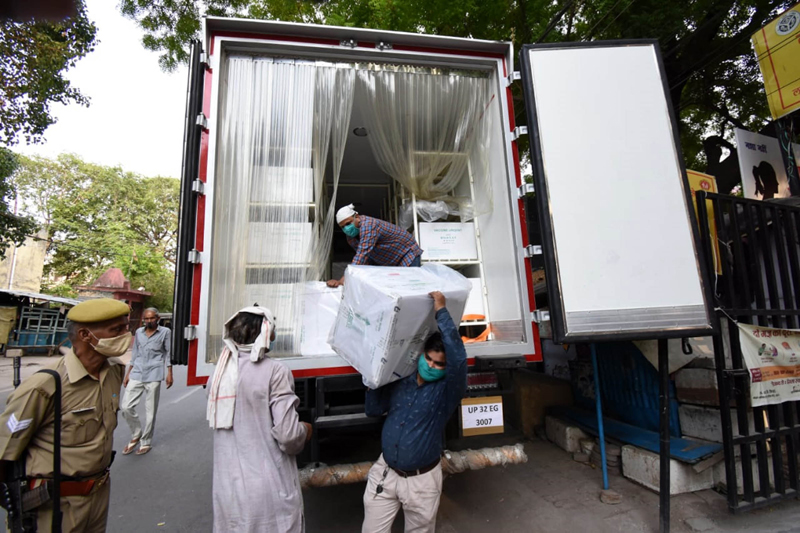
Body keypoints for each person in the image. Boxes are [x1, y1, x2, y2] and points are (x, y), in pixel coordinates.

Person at [0, 298, 131, 532]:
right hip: (53, 506)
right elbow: (4, 450)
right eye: (117, 330)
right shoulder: (45, 385)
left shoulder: (113, 371)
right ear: (85, 335)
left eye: (126, 328)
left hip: (98, 497)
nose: (126, 335)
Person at [362, 291, 467, 533]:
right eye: (429, 359)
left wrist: (441, 310)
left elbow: (459, 361)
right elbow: (374, 410)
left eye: (439, 364)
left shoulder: (446, 392)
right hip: (385, 473)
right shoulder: (401, 381)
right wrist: (371, 384)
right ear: (421, 355)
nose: (431, 365)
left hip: (421, 483)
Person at [207, 306, 312, 533]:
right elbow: (288, 436)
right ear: (266, 333)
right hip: (268, 488)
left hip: (227, 489)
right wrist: (305, 429)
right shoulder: (276, 371)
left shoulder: (218, 374)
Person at [327, 204, 423, 287]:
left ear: (357, 216)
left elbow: (362, 255)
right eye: (342, 227)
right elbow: (366, 260)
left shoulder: (369, 225)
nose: (346, 228)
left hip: (407, 254)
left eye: (348, 223)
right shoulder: (351, 238)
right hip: (390, 262)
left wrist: (343, 280)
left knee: (410, 287)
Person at [120, 307, 173, 456]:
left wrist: (169, 372)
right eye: (146, 319)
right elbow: (135, 353)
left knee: (150, 411)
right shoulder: (138, 332)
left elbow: (168, 353)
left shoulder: (165, 332)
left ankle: (146, 441)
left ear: (158, 319)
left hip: (154, 373)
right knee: (126, 407)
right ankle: (136, 434)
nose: (149, 321)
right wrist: (128, 373)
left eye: (151, 318)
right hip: (137, 372)